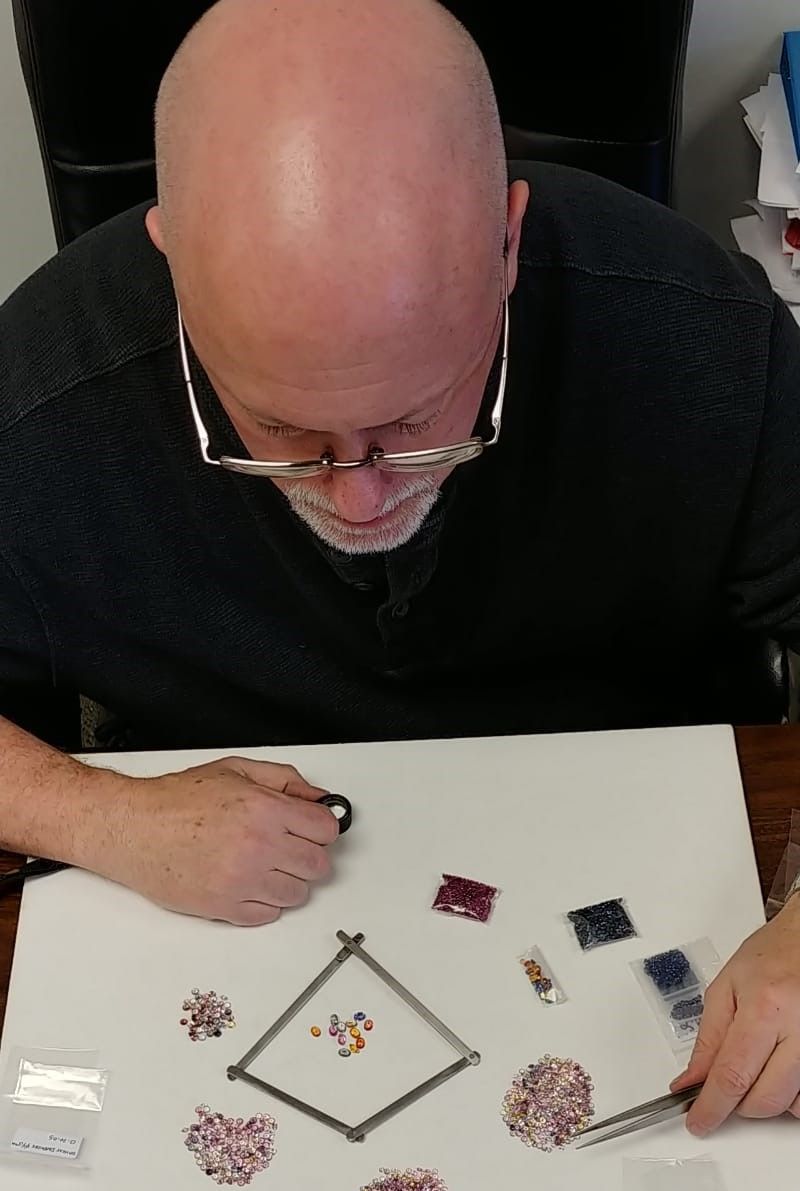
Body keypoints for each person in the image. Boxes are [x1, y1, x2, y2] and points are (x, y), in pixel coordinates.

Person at [1, 0, 800, 1133]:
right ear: (172, 262)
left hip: (626, 866)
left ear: (507, 243)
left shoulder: (698, 331)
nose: (359, 496)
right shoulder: (38, 404)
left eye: (417, 420)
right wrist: (96, 817)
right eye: (281, 433)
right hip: (218, 912)